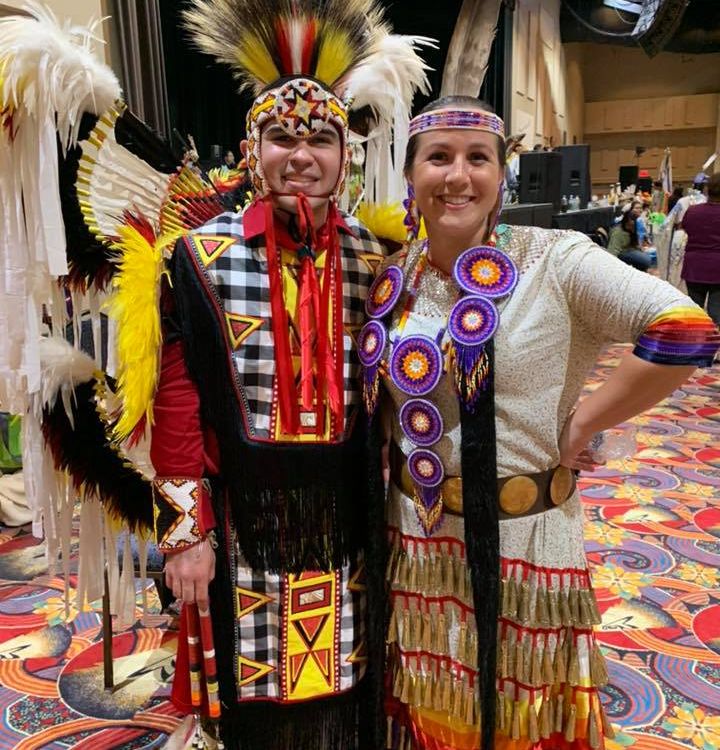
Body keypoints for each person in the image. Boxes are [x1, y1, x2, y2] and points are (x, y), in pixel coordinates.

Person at [357, 95, 719, 750]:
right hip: (418, 543)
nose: (457, 175)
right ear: (411, 174)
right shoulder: (391, 277)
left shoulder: (555, 259)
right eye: (438, 157)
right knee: (433, 708)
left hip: (528, 545)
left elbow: (685, 329)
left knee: (523, 717)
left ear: (502, 174)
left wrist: (586, 423)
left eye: (478, 158)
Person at [152, 1, 429, 748]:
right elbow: (175, 404)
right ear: (252, 149)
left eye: (320, 139)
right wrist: (184, 536)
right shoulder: (198, 258)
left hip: (350, 515)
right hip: (244, 517)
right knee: (254, 705)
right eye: (281, 137)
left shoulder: (378, 262)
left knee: (350, 687)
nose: (300, 155)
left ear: (346, 155)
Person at [680, 172, 720, 326]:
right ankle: (713, 346)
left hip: (694, 266)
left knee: (693, 310)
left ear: (707, 189)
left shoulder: (693, 211)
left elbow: (686, 229)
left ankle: (691, 345)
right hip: (718, 268)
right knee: (716, 312)